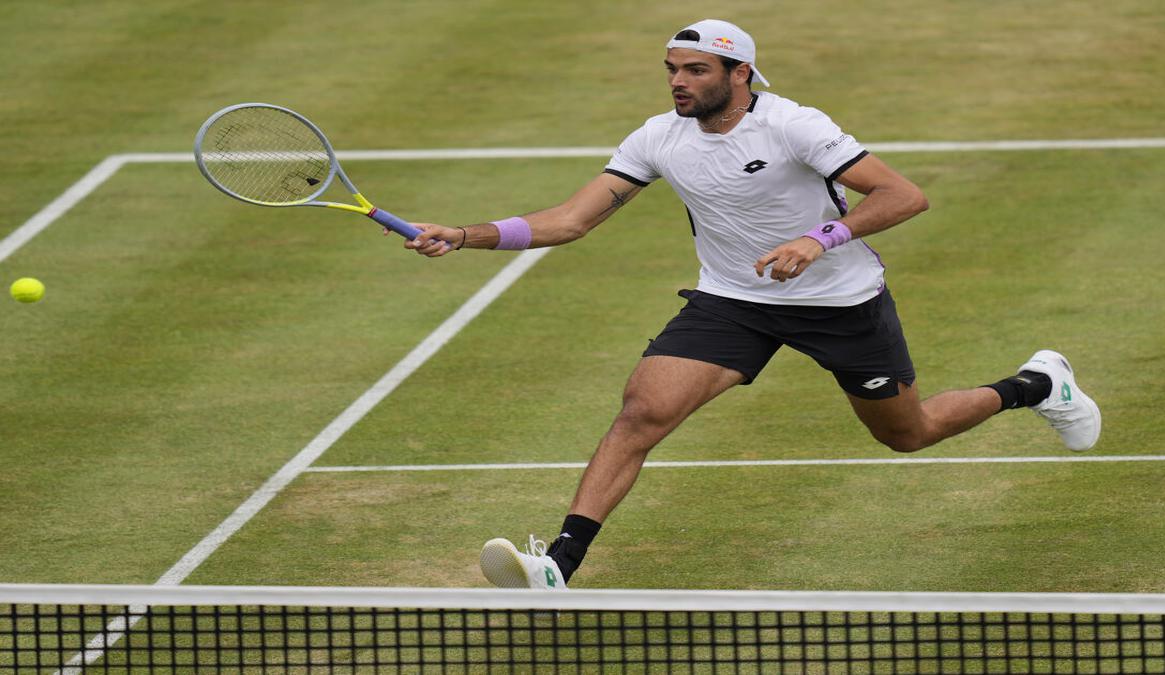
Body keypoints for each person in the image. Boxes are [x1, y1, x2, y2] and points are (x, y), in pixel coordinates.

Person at [403, 19, 1101, 590]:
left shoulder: (794, 125)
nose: (679, 80)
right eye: (673, 68)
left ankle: (1037, 384)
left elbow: (903, 195)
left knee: (906, 433)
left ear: (739, 75)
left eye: (697, 69)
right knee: (643, 410)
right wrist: (464, 235)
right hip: (732, 299)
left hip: (839, 301)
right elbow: (571, 219)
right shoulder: (656, 137)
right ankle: (559, 561)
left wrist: (819, 238)